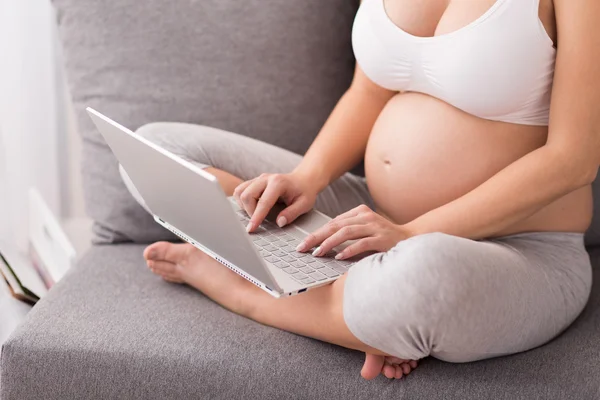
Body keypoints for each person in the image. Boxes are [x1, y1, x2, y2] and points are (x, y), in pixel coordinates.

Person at [126, 0, 599, 380]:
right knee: (157, 150)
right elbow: (368, 92)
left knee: (421, 280)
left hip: (517, 250)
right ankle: (345, 306)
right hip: (370, 218)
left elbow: (572, 160)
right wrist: (307, 178)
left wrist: (412, 234)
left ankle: (243, 289)